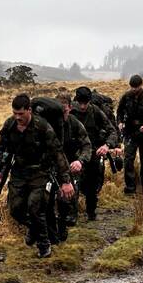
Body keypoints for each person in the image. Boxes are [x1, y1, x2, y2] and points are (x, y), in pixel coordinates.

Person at [0, 94, 74, 258]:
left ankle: (44, 245)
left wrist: (65, 181)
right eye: (15, 113)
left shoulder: (42, 126)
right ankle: (34, 228)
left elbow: (57, 153)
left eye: (21, 114)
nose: (18, 117)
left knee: (35, 206)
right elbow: (1, 147)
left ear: (29, 110)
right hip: (19, 172)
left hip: (40, 173)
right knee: (15, 209)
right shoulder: (10, 125)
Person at [69, 87, 118, 221]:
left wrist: (106, 145)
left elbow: (112, 131)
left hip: (93, 152)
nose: (83, 106)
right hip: (74, 152)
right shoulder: (70, 112)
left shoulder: (96, 111)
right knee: (73, 182)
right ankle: (71, 215)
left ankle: (90, 211)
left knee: (92, 184)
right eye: (81, 103)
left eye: (86, 103)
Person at [53, 93, 92, 241]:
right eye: (59, 111)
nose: (62, 114)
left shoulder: (74, 123)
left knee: (68, 199)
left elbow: (87, 145)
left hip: (71, 164)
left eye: (65, 110)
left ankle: (65, 222)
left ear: (70, 108)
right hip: (52, 165)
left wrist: (80, 161)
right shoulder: (48, 124)